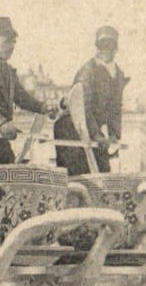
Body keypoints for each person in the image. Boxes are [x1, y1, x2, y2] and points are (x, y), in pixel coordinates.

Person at [0, 17, 56, 164]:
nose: (11, 46)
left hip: (1, 136)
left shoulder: (8, 70)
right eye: (6, 41)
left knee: (10, 176)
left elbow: (22, 97)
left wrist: (43, 107)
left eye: (13, 41)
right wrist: (2, 122)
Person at [53, 26, 129, 175]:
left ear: (115, 48)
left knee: (103, 171)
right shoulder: (88, 71)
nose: (105, 50)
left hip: (92, 130)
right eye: (101, 46)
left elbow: (115, 108)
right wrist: (97, 135)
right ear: (97, 47)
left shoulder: (118, 75)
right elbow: (83, 106)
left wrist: (114, 135)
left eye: (109, 46)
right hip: (72, 127)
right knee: (79, 174)